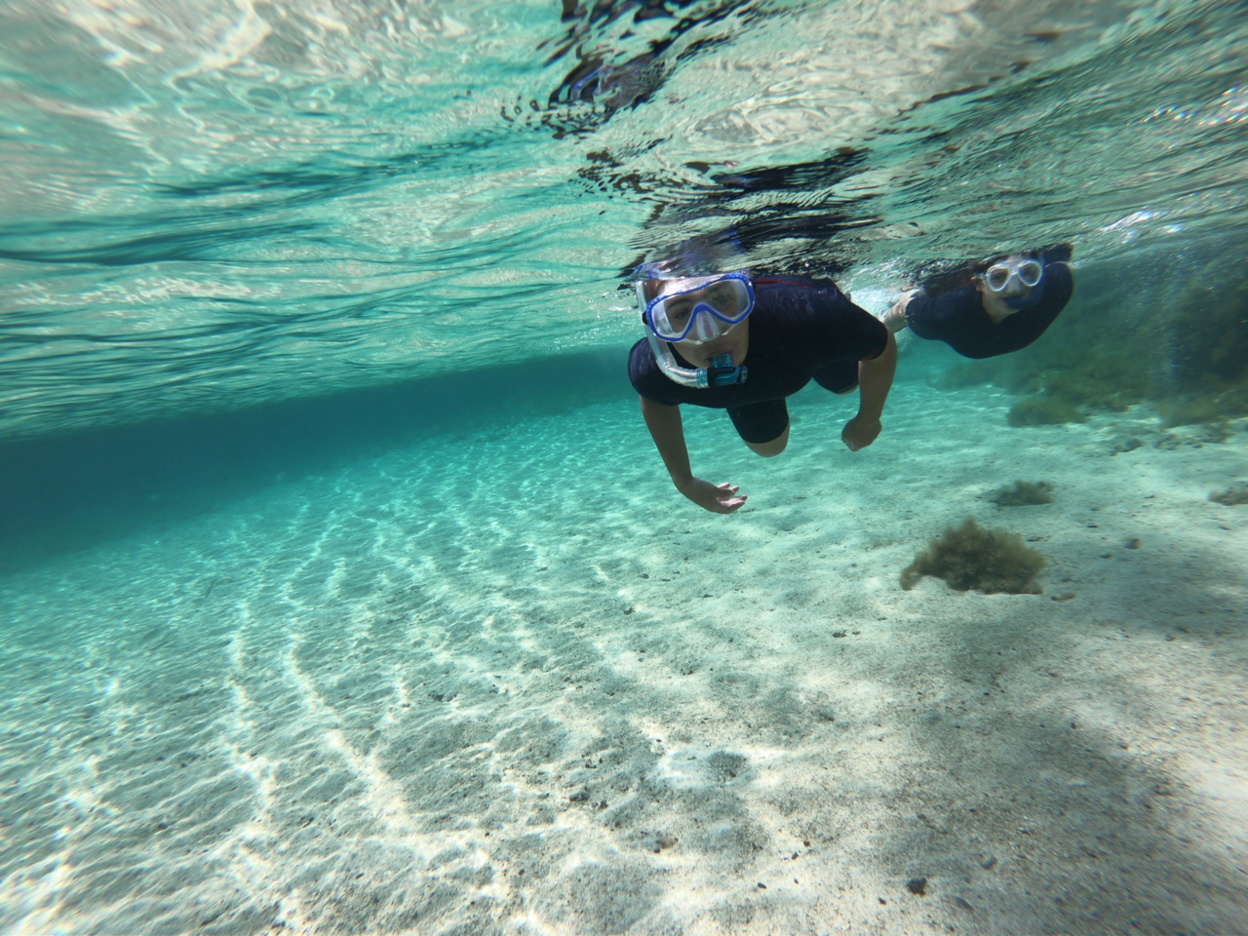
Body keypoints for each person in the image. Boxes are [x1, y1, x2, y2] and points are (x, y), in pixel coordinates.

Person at [627, 270, 897, 514]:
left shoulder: (810, 315)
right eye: (682, 314)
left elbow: (881, 345)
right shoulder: (653, 369)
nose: (710, 332)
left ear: (747, 298)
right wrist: (683, 480)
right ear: (658, 329)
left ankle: (889, 315)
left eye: (721, 299)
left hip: (800, 338)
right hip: (778, 364)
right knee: (769, 449)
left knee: (847, 386)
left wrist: (869, 418)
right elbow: (655, 400)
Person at [881, 247, 1074, 358]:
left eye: (1028, 273)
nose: (1015, 289)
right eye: (999, 278)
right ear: (980, 284)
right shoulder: (947, 312)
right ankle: (906, 291)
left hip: (978, 339)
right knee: (912, 297)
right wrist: (876, 339)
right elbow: (900, 311)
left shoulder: (1057, 285)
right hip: (933, 326)